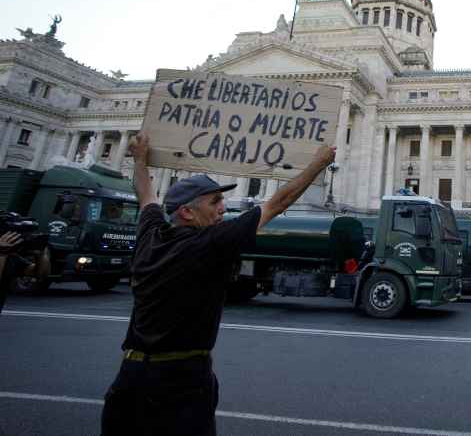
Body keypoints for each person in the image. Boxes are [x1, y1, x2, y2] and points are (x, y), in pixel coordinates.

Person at [101, 131, 335, 436]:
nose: (223, 208)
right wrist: (318, 164)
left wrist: (140, 160)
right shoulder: (210, 244)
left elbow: (146, 195)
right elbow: (279, 202)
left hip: (130, 376)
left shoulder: (151, 235)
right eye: (215, 201)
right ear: (187, 211)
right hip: (180, 380)